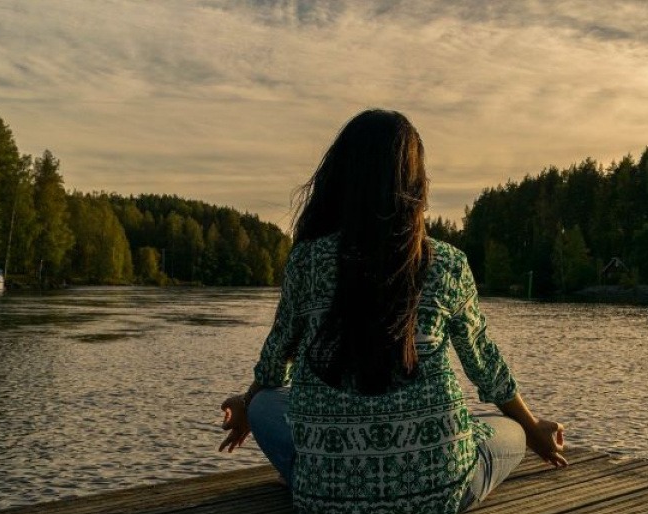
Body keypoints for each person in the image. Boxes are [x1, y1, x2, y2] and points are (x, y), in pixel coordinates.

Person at [218, 109, 566, 513]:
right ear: (415, 184)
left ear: (341, 178)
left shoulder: (307, 261)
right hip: (437, 495)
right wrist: (532, 426)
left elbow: (277, 358)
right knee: (507, 430)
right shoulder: (447, 263)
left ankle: (323, 476)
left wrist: (246, 403)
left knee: (265, 405)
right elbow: (483, 363)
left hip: (326, 498)